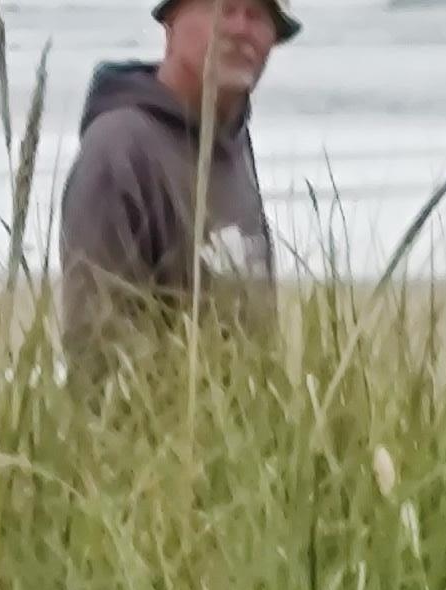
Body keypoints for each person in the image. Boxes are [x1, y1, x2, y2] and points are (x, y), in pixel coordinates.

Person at [59, 0, 293, 384]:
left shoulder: (232, 136)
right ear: (171, 22)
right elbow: (98, 349)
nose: (239, 28)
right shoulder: (118, 151)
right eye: (222, 8)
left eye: (257, 15)